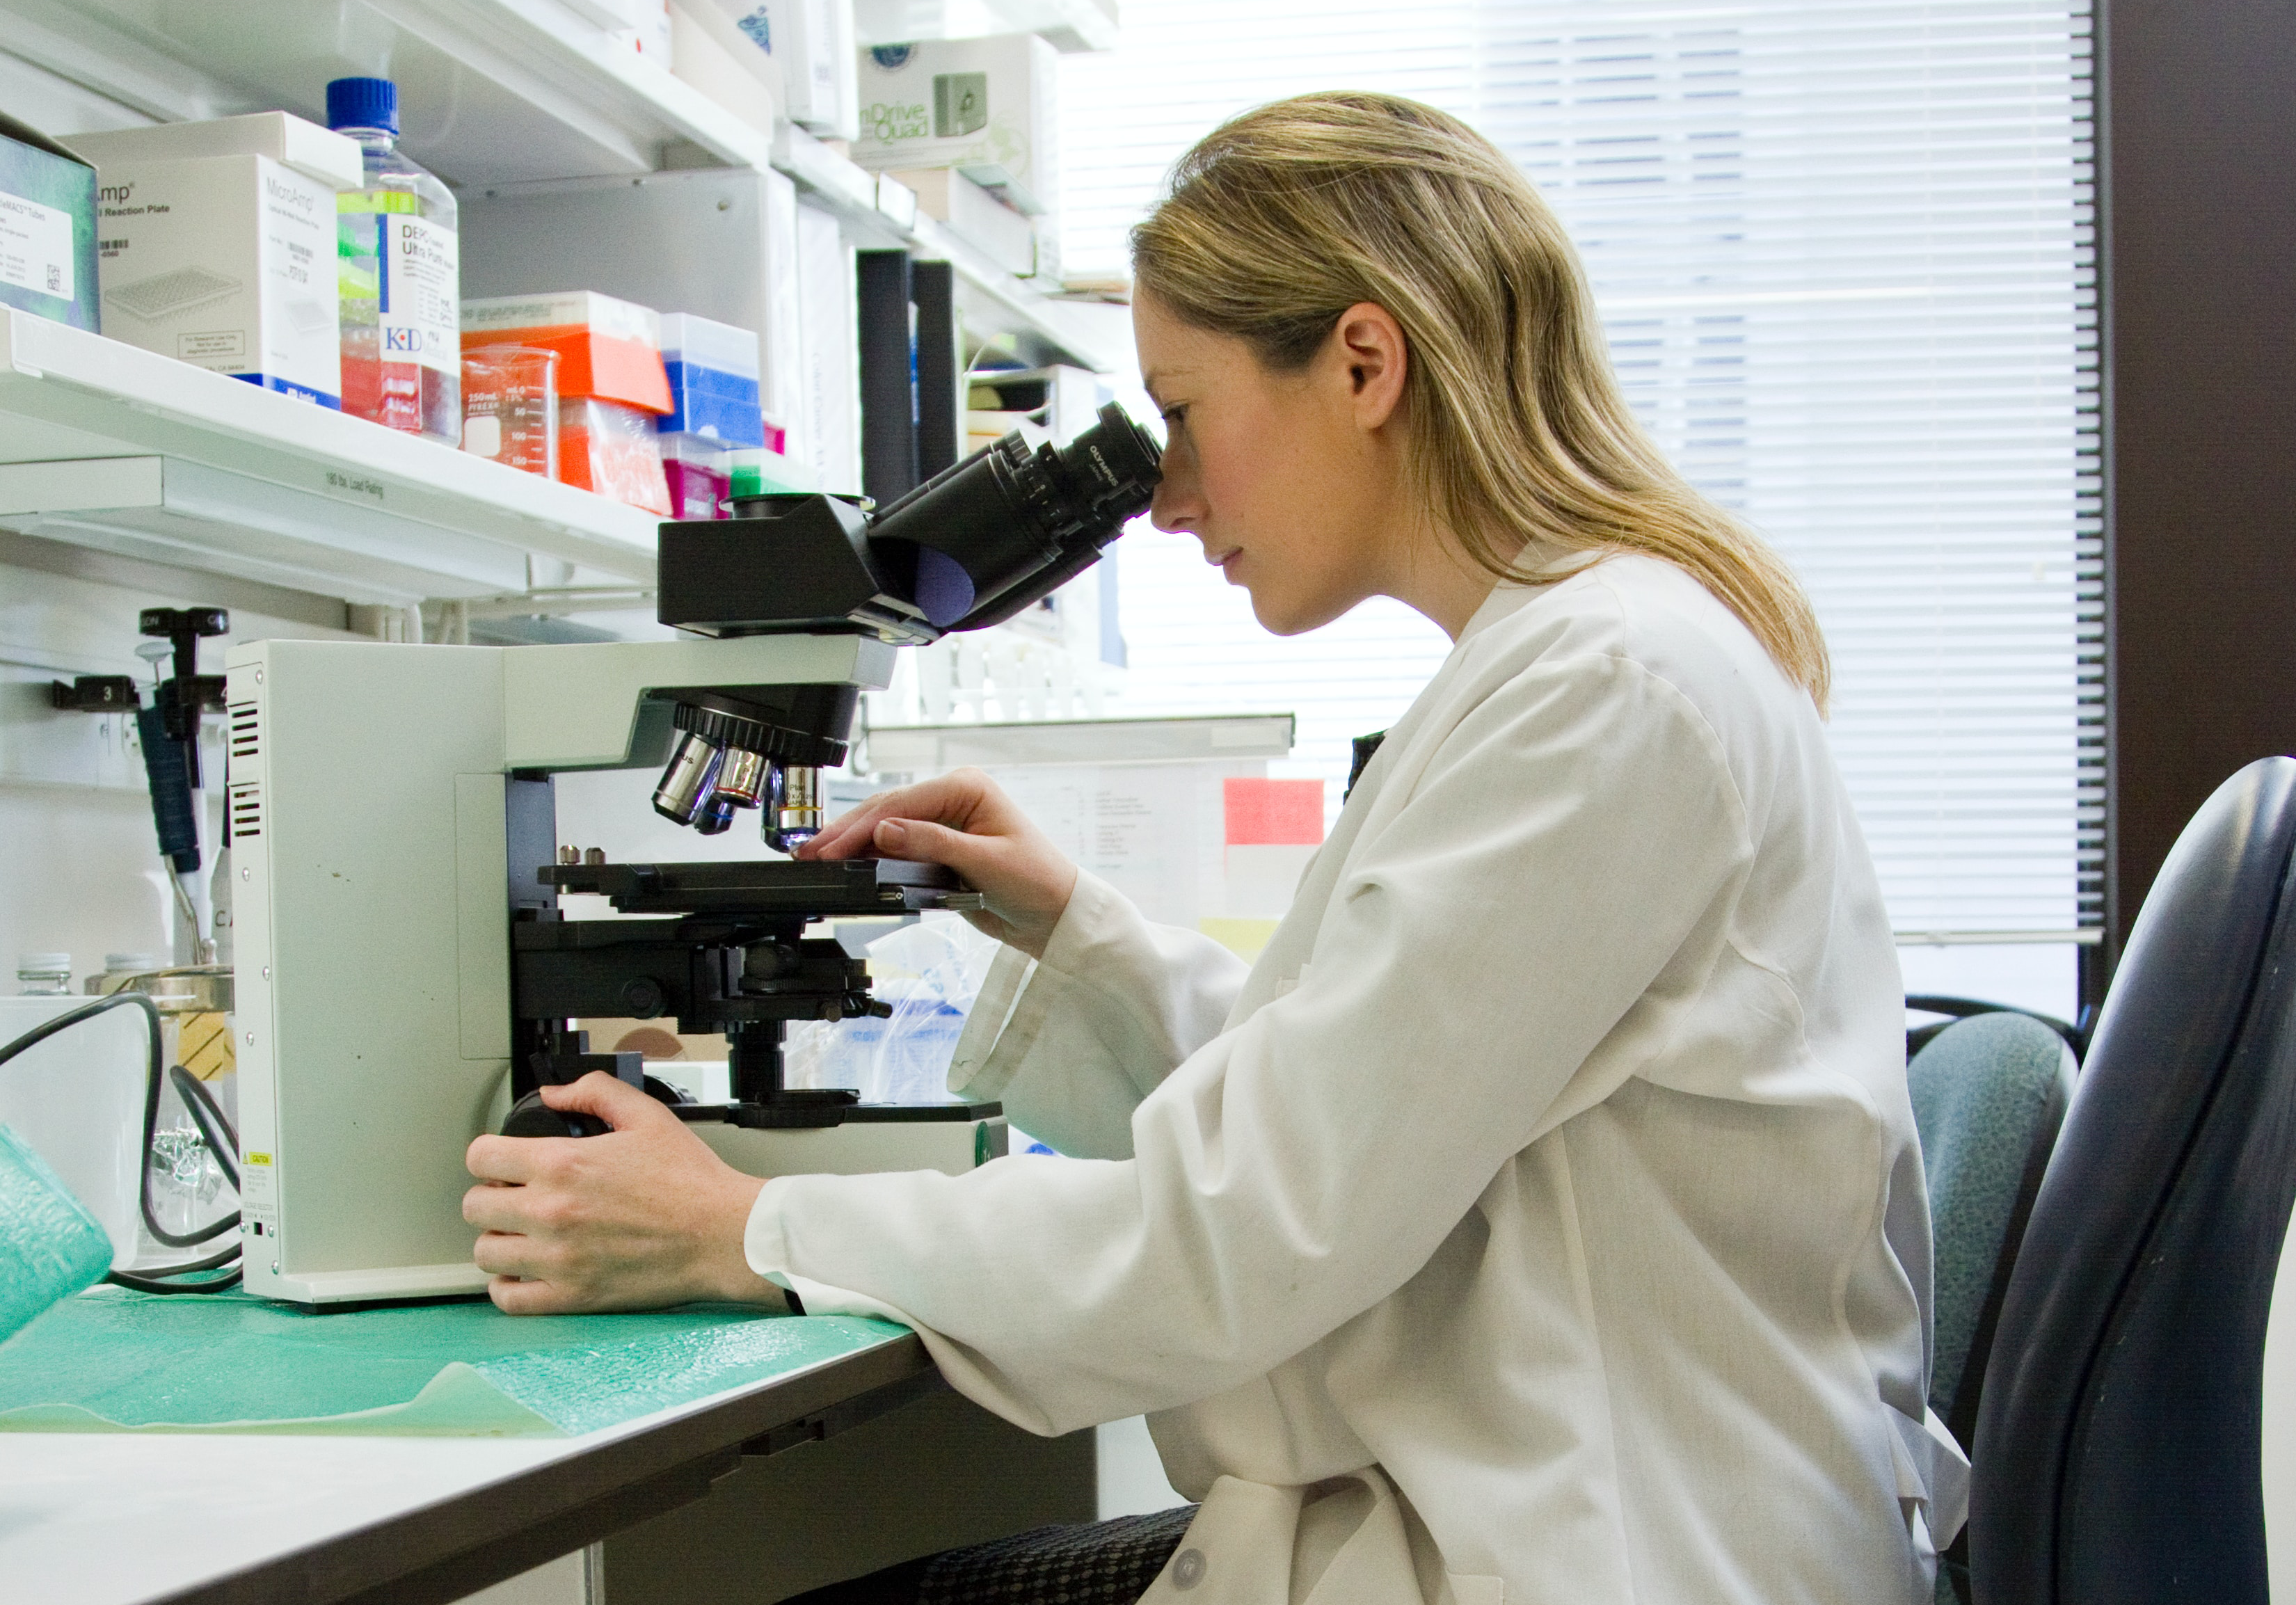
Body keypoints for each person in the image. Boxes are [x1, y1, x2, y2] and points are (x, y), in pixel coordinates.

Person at [463, 91, 1965, 1605]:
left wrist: (745, 1224)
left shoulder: (1603, 693)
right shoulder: (1583, 662)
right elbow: (1360, 1107)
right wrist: (1080, 931)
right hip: (1546, 1498)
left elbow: (1243, 1231)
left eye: (1182, 417)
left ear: (1364, 363)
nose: (1169, 500)